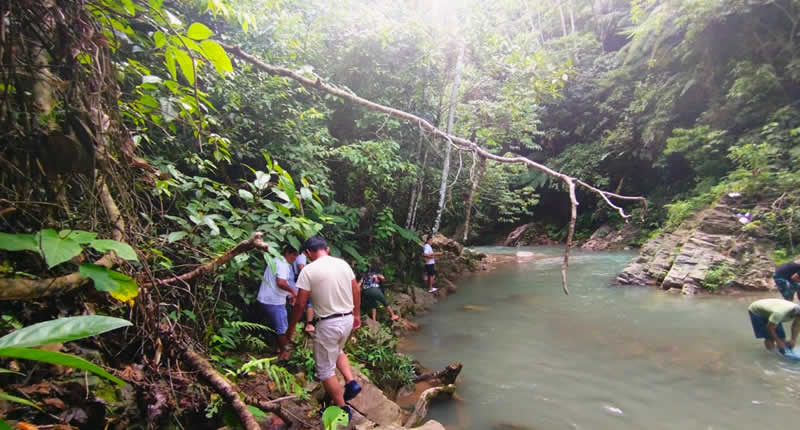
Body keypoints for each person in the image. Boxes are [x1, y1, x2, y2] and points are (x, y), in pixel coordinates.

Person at [287, 236, 362, 416]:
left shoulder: (308, 271)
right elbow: (356, 289)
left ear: (307, 253)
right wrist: (357, 314)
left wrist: (291, 328)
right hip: (347, 319)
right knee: (337, 350)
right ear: (327, 249)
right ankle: (351, 382)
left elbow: (300, 304)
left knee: (325, 371)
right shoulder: (342, 264)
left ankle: (343, 409)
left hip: (328, 323)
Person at [257, 245, 299, 360]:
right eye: (294, 255)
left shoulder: (276, 260)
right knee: (282, 329)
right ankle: (285, 353)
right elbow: (281, 282)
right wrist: (293, 292)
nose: (295, 258)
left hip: (267, 298)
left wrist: (289, 295)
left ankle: (278, 349)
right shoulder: (282, 263)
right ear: (287, 253)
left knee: (278, 326)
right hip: (274, 301)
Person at [293, 251, 316, 333]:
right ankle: (308, 324)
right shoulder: (302, 255)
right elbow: (301, 267)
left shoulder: (301, 255)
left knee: (302, 302)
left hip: (297, 279)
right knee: (308, 302)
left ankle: (297, 324)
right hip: (299, 280)